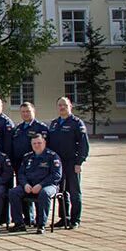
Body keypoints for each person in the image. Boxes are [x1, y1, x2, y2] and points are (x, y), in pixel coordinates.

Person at [47, 97, 89, 230]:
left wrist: (79, 162)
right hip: (58, 164)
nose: (62, 107)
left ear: (70, 106)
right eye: (59, 105)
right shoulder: (54, 124)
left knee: (74, 192)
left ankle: (75, 219)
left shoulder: (76, 123)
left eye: (64, 105)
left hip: (72, 162)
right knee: (61, 191)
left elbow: (83, 145)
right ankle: (64, 217)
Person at [8, 133, 63, 234]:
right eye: (34, 143)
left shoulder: (52, 156)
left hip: (48, 186)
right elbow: (21, 173)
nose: (37, 145)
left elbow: (56, 175)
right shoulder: (27, 157)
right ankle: (19, 223)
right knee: (13, 192)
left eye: (39, 143)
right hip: (29, 186)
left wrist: (41, 185)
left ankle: (41, 224)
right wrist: (25, 184)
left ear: (44, 142)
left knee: (44, 194)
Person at [11, 102, 49, 170]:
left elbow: (45, 147)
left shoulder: (41, 128)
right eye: (23, 112)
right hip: (19, 163)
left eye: (28, 111)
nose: (25, 114)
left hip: (34, 163)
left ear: (34, 111)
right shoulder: (18, 128)